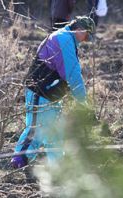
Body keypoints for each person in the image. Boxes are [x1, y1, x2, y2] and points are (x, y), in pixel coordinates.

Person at [11, 16, 96, 168]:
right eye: (87, 34)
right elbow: (72, 74)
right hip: (40, 91)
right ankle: (19, 162)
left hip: (52, 94)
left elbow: (65, 73)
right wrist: (83, 102)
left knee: (55, 133)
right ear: (79, 29)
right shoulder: (64, 39)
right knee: (36, 130)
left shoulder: (66, 38)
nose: (86, 39)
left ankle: (58, 169)